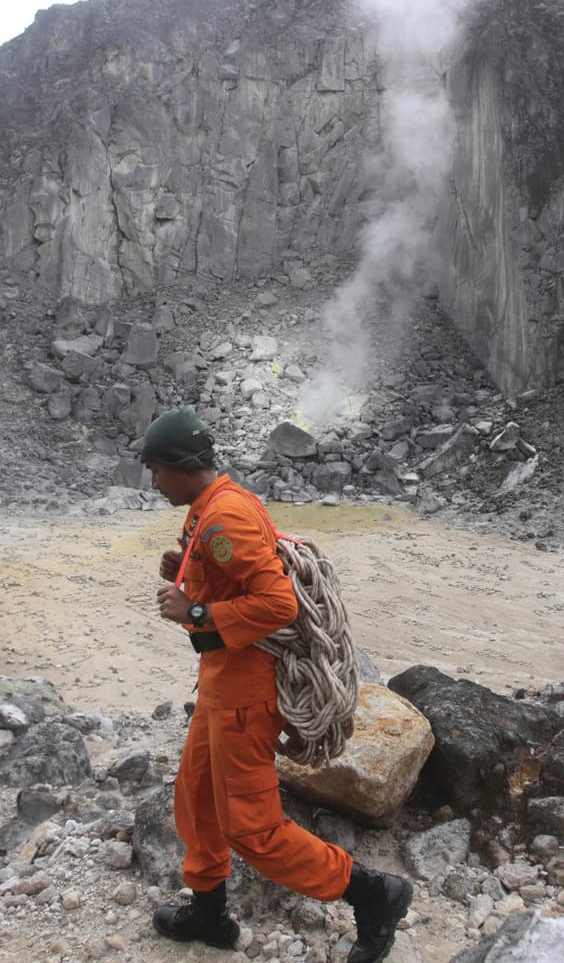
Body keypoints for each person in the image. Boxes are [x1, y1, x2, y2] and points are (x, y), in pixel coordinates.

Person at [140, 407, 412, 962]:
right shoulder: (212, 507)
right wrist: (188, 573)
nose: (153, 482)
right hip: (221, 685)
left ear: (180, 465)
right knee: (196, 798)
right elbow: (234, 576)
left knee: (254, 828)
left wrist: (193, 608)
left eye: (155, 470)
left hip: (245, 693)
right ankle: (210, 914)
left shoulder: (222, 520)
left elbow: (277, 603)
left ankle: (375, 894)